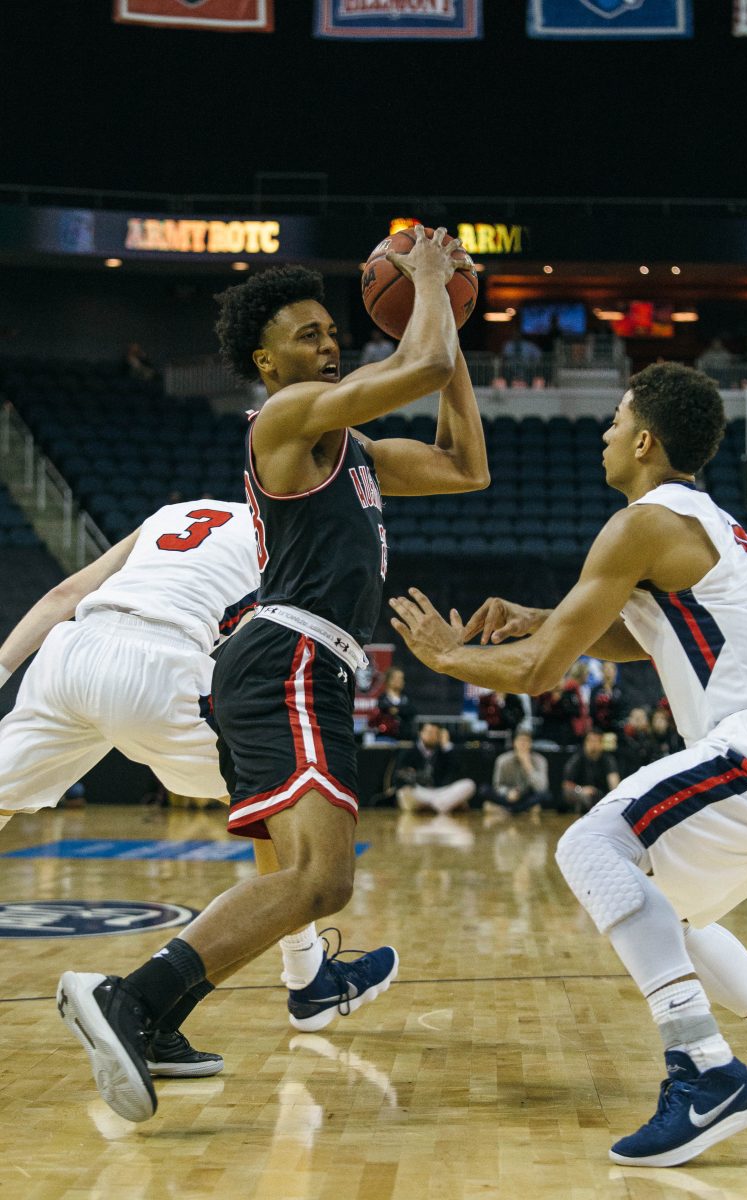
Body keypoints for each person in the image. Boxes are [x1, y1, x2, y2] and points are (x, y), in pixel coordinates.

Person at [59, 226, 490, 1124]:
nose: (328, 345)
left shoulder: (358, 454)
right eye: (307, 336)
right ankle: (130, 1000)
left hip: (303, 666)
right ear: (265, 360)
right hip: (286, 654)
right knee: (321, 880)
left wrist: (446, 327)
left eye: (332, 333)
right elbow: (410, 374)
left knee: (302, 874)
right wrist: (427, 289)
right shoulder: (284, 420)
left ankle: (156, 1011)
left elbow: (465, 467)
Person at [388, 360, 747, 1166]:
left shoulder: (642, 521)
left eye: (615, 420)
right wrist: (544, 619)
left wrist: (446, 658)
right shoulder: (694, 519)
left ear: (644, 439)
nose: (604, 433)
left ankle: (705, 1072)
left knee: (590, 846)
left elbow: (542, 674)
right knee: (666, 910)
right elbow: (633, 635)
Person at [0, 498, 261, 1075]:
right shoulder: (290, 528)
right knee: (280, 809)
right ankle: (306, 974)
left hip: (72, 652)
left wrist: (0, 668)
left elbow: (62, 596)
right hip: (162, 662)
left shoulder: (176, 511)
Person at [394, 721, 476, 814]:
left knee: (469, 785)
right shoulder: (409, 752)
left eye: (436, 733)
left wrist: (447, 746)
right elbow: (399, 777)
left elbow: (459, 771)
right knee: (404, 793)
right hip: (419, 791)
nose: (432, 736)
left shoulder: (444, 752)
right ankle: (443, 805)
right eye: (429, 732)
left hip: (440, 792)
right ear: (421, 733)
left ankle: (437, 805)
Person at [482, 727, 550, 817]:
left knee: (545, 796)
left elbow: (542, 788)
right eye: (521, 741)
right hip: (508, 797)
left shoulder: (540, 760)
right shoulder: (503, 760)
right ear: (514, 743)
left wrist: (528, 766)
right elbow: (497, 785)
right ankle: (521, 810)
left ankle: (508, 810)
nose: (523, 744)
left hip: (526, 796)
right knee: (484, 790)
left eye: (526, 741)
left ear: (531, 744)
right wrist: (508, 793)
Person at [561, 728, 620, 813]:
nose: (593, 744)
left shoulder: (608, 759)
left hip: (602, 797)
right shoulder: (577, 758)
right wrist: (581, 789)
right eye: (590, 741)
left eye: (596, 741)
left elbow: (614, 783)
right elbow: (566, 784)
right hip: (582, 793)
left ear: (601, 744)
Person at [368, 665, 416, 740]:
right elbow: (381, 711)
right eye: (397, 678)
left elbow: (412, 711)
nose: (400, 681)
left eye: (401, 678)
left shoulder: (406, 698)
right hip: (385, 738)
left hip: (404, 738)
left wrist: (398, 711)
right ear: (389, 680)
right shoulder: (382, 699)